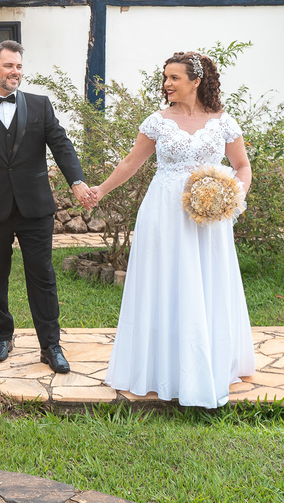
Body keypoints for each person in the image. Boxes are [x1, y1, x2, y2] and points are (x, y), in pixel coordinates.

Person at [88, 51, 255, 408]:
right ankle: (160, 368)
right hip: (164, 213)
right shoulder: (157, 122)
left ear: (196, 81)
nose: (166, 84)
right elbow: (131, 163)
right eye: (165, 77)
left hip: (210, 218)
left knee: (207, 281)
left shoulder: (223, 122)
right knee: (164, 282)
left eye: (174, 77)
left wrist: (232, 197)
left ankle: (210, 364)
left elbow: (242, 166)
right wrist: (100, 190)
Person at [0, 40, 93, 374]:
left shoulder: (40, 105)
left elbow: (61, 144)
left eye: (18, 66)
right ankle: (2, 336)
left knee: (42, 277)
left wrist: (77, 181)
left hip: (35, 208)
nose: (15, 72)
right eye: (9, 65)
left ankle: (50, 346)